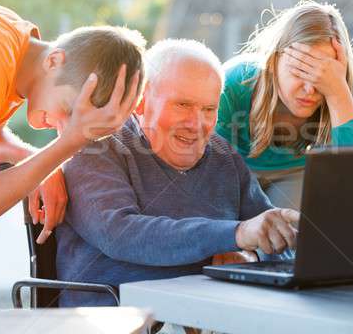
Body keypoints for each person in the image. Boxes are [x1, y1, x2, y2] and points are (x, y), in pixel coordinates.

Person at [57, 39, 299, 307]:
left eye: (209, 109)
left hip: (208, 317)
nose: (197, 124)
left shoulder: (224, 156)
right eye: (182, 105)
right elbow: (120, 234)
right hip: (117, 320)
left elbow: (272, 236)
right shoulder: (95, 146)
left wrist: (254, 258)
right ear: (141, 101)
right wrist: (235, 235)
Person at [0, 1, 144, 243]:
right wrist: (67, 146)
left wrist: (37, 162)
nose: (63, 130)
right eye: (69, 110)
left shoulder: (12, 46)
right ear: (54, 61)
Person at [216, 0, 353, 210]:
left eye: (322, 77)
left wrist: (337, 97)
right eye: (299, 71)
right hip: (233, 175)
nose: (309, 89)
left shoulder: (346, 95)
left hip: (294, 179)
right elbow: (208, 169)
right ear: (274, 60)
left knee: (289, 231)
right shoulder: (234, 83)